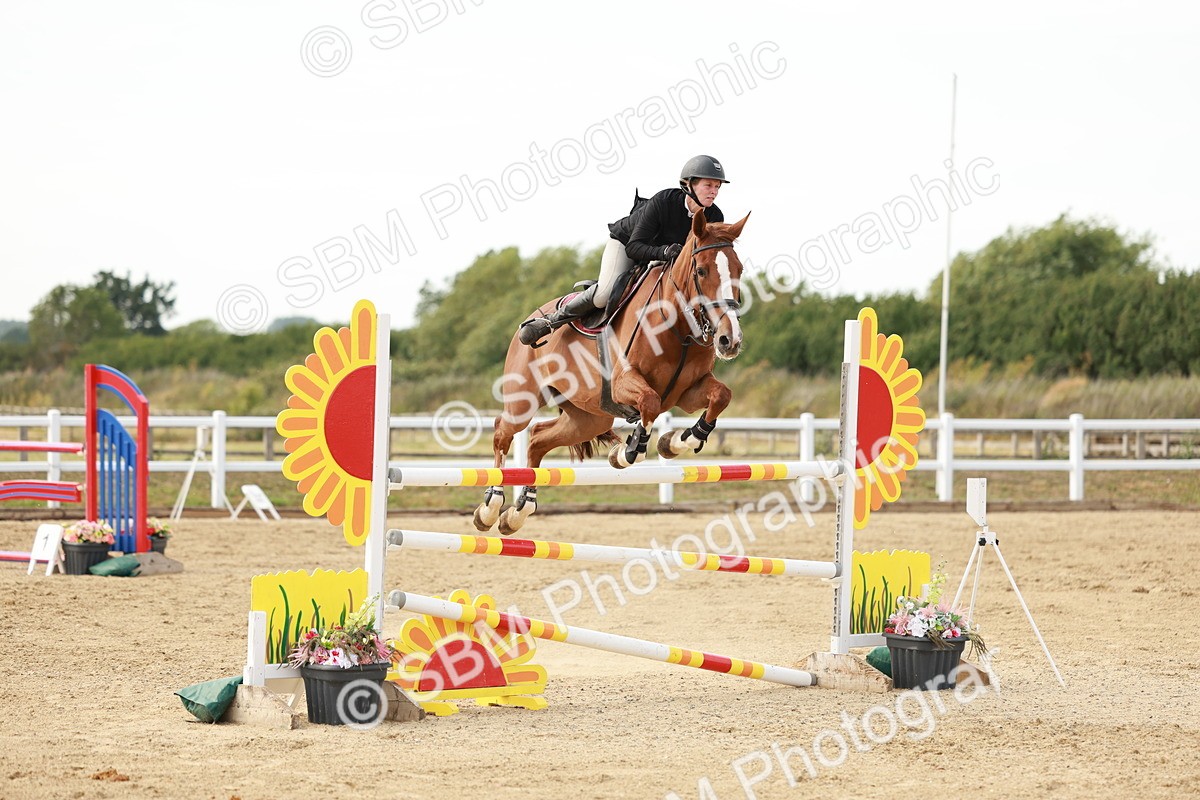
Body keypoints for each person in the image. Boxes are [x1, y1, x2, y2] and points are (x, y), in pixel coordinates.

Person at [517, 155, 729, 346]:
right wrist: (664, 252)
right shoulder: (663, 202)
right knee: (605, 294)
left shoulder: (715, 217)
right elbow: (634, 247)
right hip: (627, 244)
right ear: (688, 184)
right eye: (708, 185)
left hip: (666, 261)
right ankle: (552, 321)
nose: (714, 191)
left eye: (717, 187)